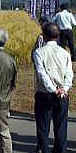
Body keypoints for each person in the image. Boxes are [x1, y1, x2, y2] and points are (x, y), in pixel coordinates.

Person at [33, 23, 73, 153]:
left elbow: (41, 73)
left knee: (43, 126)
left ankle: (44, 150)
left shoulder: (39, 52)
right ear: (57, 36)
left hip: (45, 93)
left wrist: (52, 89)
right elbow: (69, 73)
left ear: (43, 35)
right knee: (61, 127)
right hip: (62, 93)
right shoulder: (65, 52)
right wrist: (64, 88)